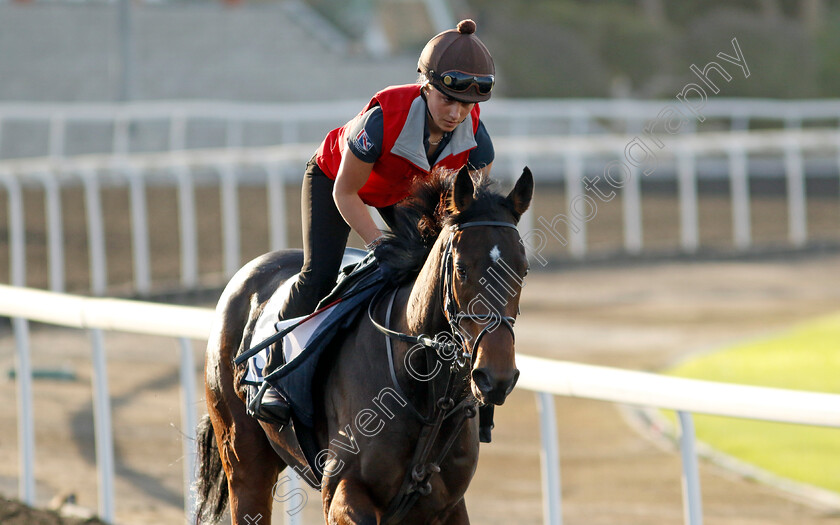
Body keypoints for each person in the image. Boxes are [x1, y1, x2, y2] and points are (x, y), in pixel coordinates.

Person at [253, 18, 497, 425]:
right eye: (447, 100)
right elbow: (345, 194)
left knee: (428, 276)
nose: (456, 113)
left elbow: (462, 213)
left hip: (401, 191)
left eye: (467, 105)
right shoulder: (383, 119)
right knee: (320, 274)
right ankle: (274, 373)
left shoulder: (478, 142)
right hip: (336, 181)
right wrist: (377, 244)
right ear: (426, 87)